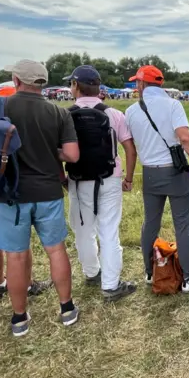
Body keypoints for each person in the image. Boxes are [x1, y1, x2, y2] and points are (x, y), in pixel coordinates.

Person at [0, 60, 80, 336]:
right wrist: (50, 151)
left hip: (10, 194)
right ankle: (66, 308)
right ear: (43, 83)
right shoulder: (58, 113)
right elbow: (72, 155)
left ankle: (20, 318)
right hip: (48, 192)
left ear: (16, 80)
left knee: (16, 257)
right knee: (56, 250)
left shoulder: (2, 107)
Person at [125, 65, 189, 293]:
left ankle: (151, 272)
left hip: (149, 171)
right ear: (159, 83)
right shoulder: (172, 105)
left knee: (150, 223)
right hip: (174, 171)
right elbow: (185, 138)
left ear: (141, 84)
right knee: (183, 225)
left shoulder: (131, 111)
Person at [63, 65, 138, 301]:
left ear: (75, 86)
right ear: (98, 87)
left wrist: (61, 178)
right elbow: (129, 148)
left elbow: (57, 150)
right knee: (109, 231)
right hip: (109, 177)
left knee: (83, 230)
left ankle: (91, 272)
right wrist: (128, 177)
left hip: (78, 179)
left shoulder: (65, 115)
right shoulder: (114, 114)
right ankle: (111, 285)